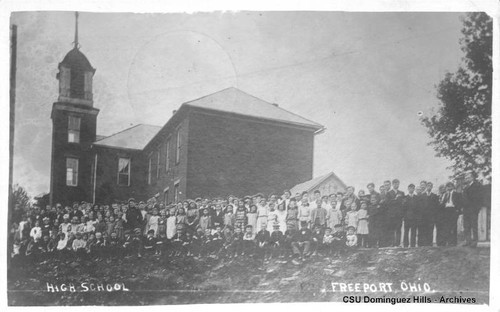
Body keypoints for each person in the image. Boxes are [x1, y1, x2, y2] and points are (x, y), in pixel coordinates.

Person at [462, 171, 483, 247]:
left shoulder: (477, 185)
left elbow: (479, 198)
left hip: (473, 209)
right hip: (466, 209)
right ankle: (468, 240)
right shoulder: (465, 187)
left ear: (472, 177)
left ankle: (475, 241)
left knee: (474, 225)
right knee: (466, 226)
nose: (466, 179)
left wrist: (476, 209)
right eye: (465, 178)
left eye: (468, 177)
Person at [419, 182, 439, 246]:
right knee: (424, 229)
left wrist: (434, 215)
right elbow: (420, 206)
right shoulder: (422, 195)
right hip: (424, 216)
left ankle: (429, 243)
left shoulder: (434, 196)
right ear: (426, 187)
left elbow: (436, 206)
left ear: (432, 187)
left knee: (430, 229)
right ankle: (424, 243)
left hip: (431, 216)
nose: (429, 187)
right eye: (428, 186)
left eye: (430, 186)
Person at [386, 179, 405, 247]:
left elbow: (403, 204)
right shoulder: (389, 193)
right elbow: (388, 203)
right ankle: (392, 243)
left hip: (399, 215)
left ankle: (398, 243)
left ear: (399, 184)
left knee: (398, 229)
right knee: (391, 229)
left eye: (397, 183)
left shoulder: (402, 193)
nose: (396, 185)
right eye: (394, 184)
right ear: (392, 184)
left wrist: (402, 214)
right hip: (392, 215)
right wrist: (396, 199)